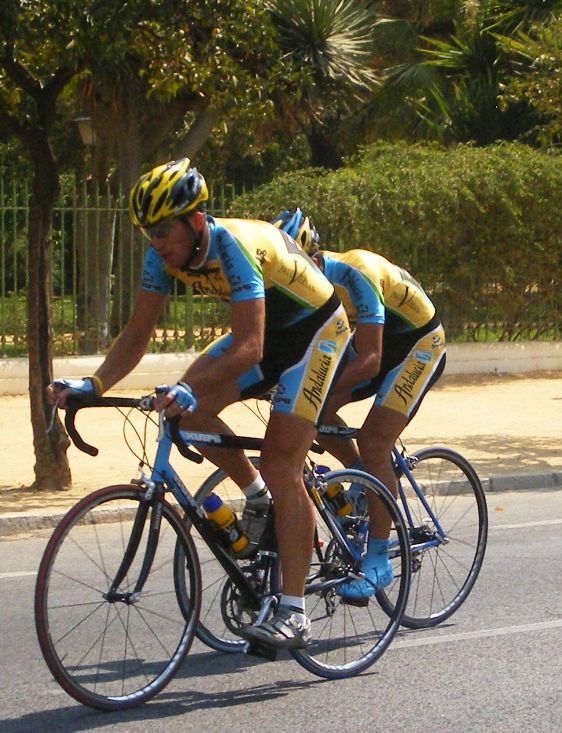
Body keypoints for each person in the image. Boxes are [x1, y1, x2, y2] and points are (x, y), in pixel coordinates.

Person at [49, 160, 350, 650]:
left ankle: (295, 613)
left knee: (282, 463)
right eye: (148, 233)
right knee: (185, 411)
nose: (155, 243)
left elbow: (249, 346)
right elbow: (137, 334)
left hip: (316, 333)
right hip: (267, 335)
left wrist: (190, 384)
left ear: (194, 221)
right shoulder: (164, 257)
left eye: (162, 231)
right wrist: (94, 383)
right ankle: (257, 497)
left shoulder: (231, 245)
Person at [273, 208, 446, 599]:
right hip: (381, 342)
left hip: (419, 344)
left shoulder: (356, 273)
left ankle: (379, 558)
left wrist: (321, 389)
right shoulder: (308, 287)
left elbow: (369, 360)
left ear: (314, 259)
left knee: (374, 441)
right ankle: (364, 478)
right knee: (312, 406)